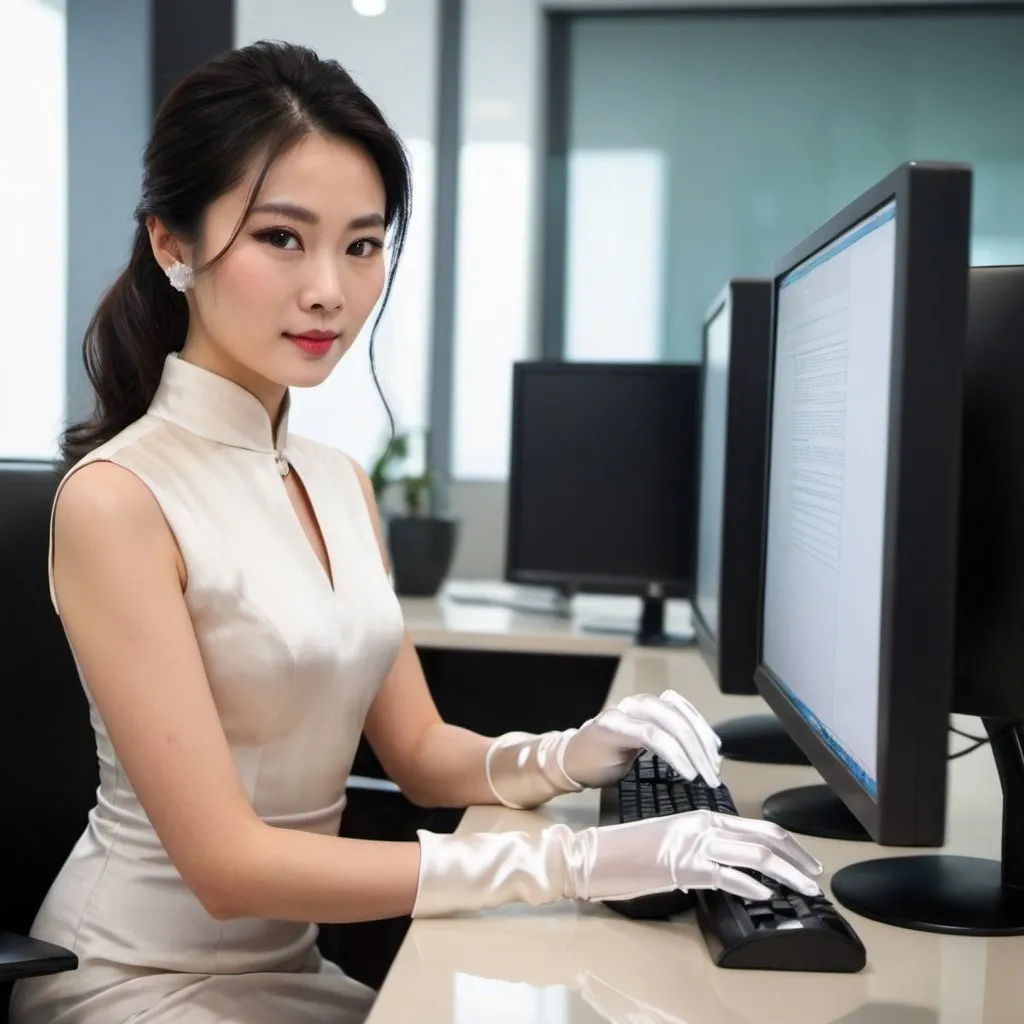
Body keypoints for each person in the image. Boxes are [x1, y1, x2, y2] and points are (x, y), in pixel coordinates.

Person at [10, 40, 822, 1024]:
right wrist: (579, 859)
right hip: (138, 984)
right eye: (281, 237)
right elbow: (226, 866)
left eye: (361, 243)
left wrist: (575, 751)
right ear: (171, 244)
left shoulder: (338, 479)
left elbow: (422, 750)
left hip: (291, 975)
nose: (331, 290)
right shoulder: (119, 498)